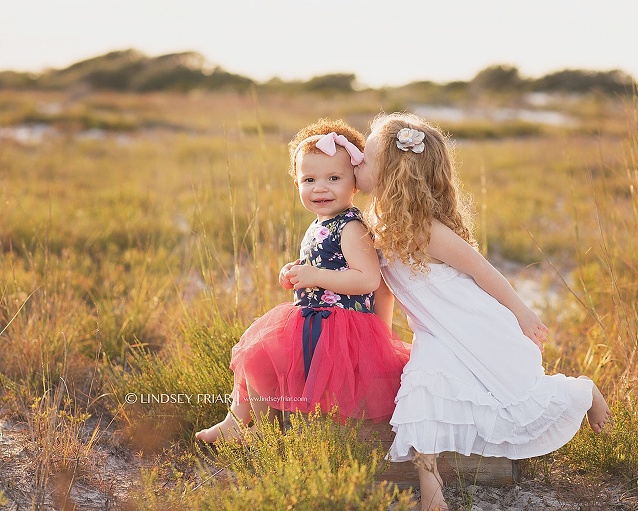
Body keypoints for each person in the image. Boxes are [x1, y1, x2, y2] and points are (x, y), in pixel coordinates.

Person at [354, 112, 612, 511]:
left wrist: (522, 312)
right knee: (421, 398)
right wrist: (380, 339)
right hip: (436, 335)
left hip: (477, 328)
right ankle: (432, 494)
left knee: (517, 400)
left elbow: (482, 270)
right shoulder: (373, 226)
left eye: (366, 159)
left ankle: (581, 390)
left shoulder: (426, 230)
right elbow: (385, 290)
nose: (357, 163)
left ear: (390, 173)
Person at [196, 119, 410, 443]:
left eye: (333, 178)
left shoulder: (351, 227)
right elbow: (322, 264)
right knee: (259, 357)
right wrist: (295, 272)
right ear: (296, 183)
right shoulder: (322, 222)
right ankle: (239, 423)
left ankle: (264, 437)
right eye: (309, 179)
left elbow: (367, 279)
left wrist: (315, 275)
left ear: (355, 182)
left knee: (263, 355)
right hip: (312, 319)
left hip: (340, 327)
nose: (320, 188)